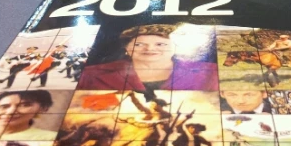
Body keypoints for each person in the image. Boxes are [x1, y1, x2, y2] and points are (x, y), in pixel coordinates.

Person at [77, 24, 217, 91]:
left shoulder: (211, 72)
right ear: (127, 48)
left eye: (160, 44)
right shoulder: (90, 74)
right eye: (139, 44)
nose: (150, 49)